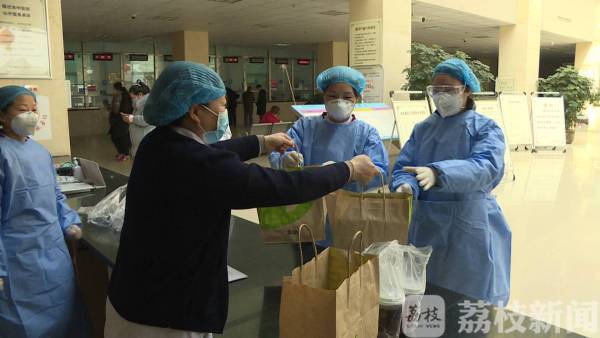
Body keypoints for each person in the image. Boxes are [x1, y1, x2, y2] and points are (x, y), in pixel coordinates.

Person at [105, 61, 380, 337]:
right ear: (195, 112)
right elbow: (280, 186)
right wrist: (348, 169)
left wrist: (262, 142)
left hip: (133, 293)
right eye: (221, 106)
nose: (224, 112)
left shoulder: (158, 143)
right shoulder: (198, 164)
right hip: (165, 317)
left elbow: (214, 154)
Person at [390, 58, 511, 305]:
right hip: (427, 223)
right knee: (428, 291)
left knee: (469, 297)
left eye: (449, 89)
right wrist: (405, 185)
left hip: (469, 223)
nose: (441, 95)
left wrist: (438, 173)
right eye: (436, 89)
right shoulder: (423, 129)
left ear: (466, 90)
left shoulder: (485, 128)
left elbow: (486, 166)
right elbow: (405, 166)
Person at [0, 86, 89, 337]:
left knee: (64, 315)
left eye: (34, 109)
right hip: (16, 259)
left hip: (52, 252)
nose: (31, 115)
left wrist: (67, 220)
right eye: (22, 109)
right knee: (22, 324)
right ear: (2, 115)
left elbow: (55, 195)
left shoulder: (39, 151)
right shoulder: (3, 153)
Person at [269, 66, 389, 247]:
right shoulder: (304, 127)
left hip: (347, 214)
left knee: (344, 268)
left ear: (356, 98)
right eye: (332, 96)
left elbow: (380, 172)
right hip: (306, 213)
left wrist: (349, 173)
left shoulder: (366, 133)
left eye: (347, 97)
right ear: (323, 97)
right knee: (307, 268)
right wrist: (285, 159)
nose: (339, 102)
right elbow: (279, 153)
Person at [121, 81, 154, 156]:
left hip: (146, 144)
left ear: (140, 94)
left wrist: (132, 118)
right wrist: (129, 118)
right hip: (138, 143)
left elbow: (147, 119)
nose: (132, 100)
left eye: (132, 98)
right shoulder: (137, 106)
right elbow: (136, 119)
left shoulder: (149, 104)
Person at [110, 82, 133, 161]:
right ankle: (122, 152)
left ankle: (126, 153)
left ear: (116, 88)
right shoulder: (118, 95)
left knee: (122, 137)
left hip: (122, 119)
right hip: (117, 120)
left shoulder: (123, 96)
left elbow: (120, 109)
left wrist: (122, 114)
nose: (112, 90)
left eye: (113, 88)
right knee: (115, 137)